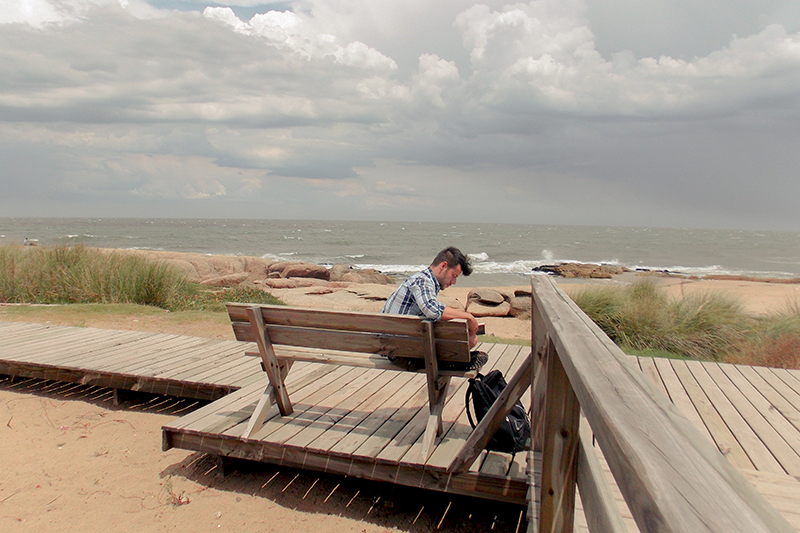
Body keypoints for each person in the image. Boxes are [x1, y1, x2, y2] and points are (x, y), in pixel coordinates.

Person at [382, 247, 487, 369]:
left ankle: (447, 361)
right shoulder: (422, 281)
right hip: (398, 351)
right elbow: (431, 309)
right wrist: (468, 316)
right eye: (453, 275)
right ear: (443, 266)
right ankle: (447, 362)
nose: (454, 282)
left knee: (465, 337)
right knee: (470, 339)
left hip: (391, 344)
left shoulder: (423, 281)